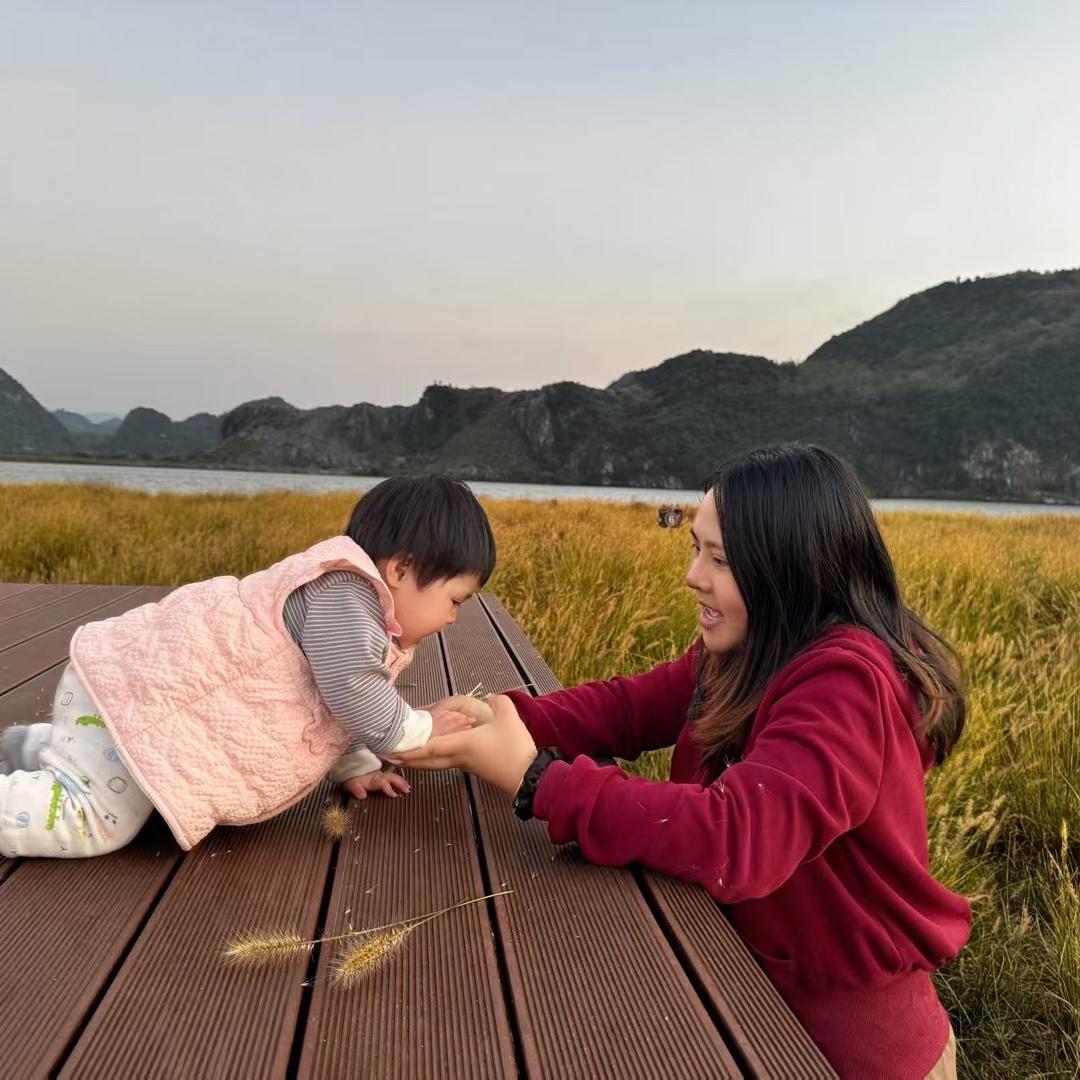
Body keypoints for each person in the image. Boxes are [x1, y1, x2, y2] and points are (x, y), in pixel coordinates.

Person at [399, 445, 969, 1080]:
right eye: (695, 548)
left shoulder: (848, 681)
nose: (694, 576)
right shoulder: (752, 648)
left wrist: (537, 780)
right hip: (749, 1000)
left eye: (720, 560)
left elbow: (739, 837)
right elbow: (628, 708)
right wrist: (497, 717)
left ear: (791, 571)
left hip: (850, 1050)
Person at [0, 476, 494, 859]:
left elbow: (325, 706)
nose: (452, 618)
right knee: (97, 820)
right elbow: (353, 691)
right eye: (454, 600)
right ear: (401, 570)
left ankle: (26, 749)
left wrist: (356, 764)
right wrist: (420, 729)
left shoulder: (356, 614)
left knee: (112, 770)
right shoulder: (345, 598)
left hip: (133, 710)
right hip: (141, 700)